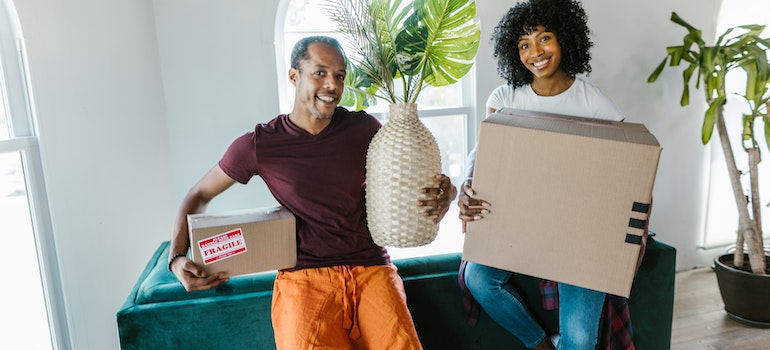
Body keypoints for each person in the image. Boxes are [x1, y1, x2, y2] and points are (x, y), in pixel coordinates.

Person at [167, 35, 457, 350]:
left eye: (340, 75)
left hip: (372, 267)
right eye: (320, 72)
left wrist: (446, 193)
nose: (332, 84)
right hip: (304, 277)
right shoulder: (260, 145)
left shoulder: (366, 130)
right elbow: (198, 195)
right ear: (294, 76)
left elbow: (411, 188)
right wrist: (177, 259)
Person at [457, 1, 637, 349]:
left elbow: (631, 165)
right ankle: (542, 345)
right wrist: (467, 183)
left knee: (582, 339)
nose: (535, 52)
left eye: (544, 38)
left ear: (565, 39)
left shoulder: (595, 103)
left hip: (579, 235)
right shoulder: (505, 96)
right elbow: (483, 154)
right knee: (478, 278)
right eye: (524, 44)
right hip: (520, 223)